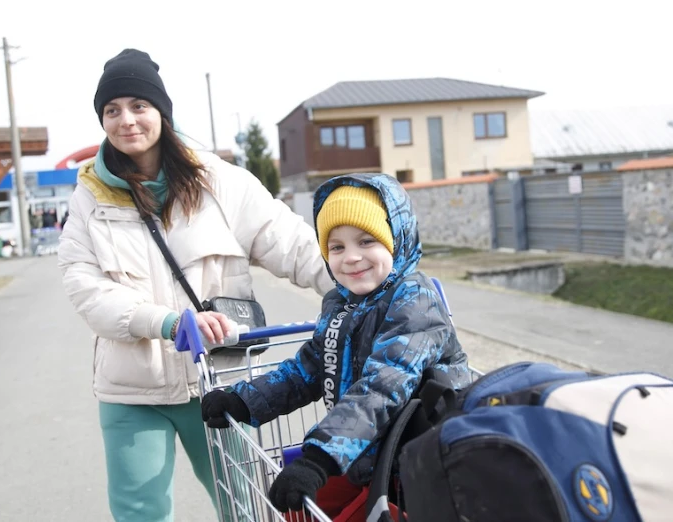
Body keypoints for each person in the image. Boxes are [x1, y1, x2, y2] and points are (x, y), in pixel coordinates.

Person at [57, 48, 333, 522]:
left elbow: (288, 242)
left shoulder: (217, 181)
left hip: (217, 380)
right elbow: (85, 288)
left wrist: (367, 282)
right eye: (112, 110)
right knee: (139, 511)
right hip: (132, 388)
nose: (127, 120)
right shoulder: (89, 199)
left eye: (139, 106)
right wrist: (164, 323)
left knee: (244, 504)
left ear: (161, 111)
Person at [200, 173, 472, 519]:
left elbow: (382, 387)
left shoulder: (415, 301)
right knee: (295, 508)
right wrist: (243, 399)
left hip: (416, 464)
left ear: (397, 240)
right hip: (366, 455)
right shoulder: (341, 303)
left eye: (367, 241)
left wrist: (318, 458)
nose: (352, 258)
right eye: (337, 247)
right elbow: (309, 368)